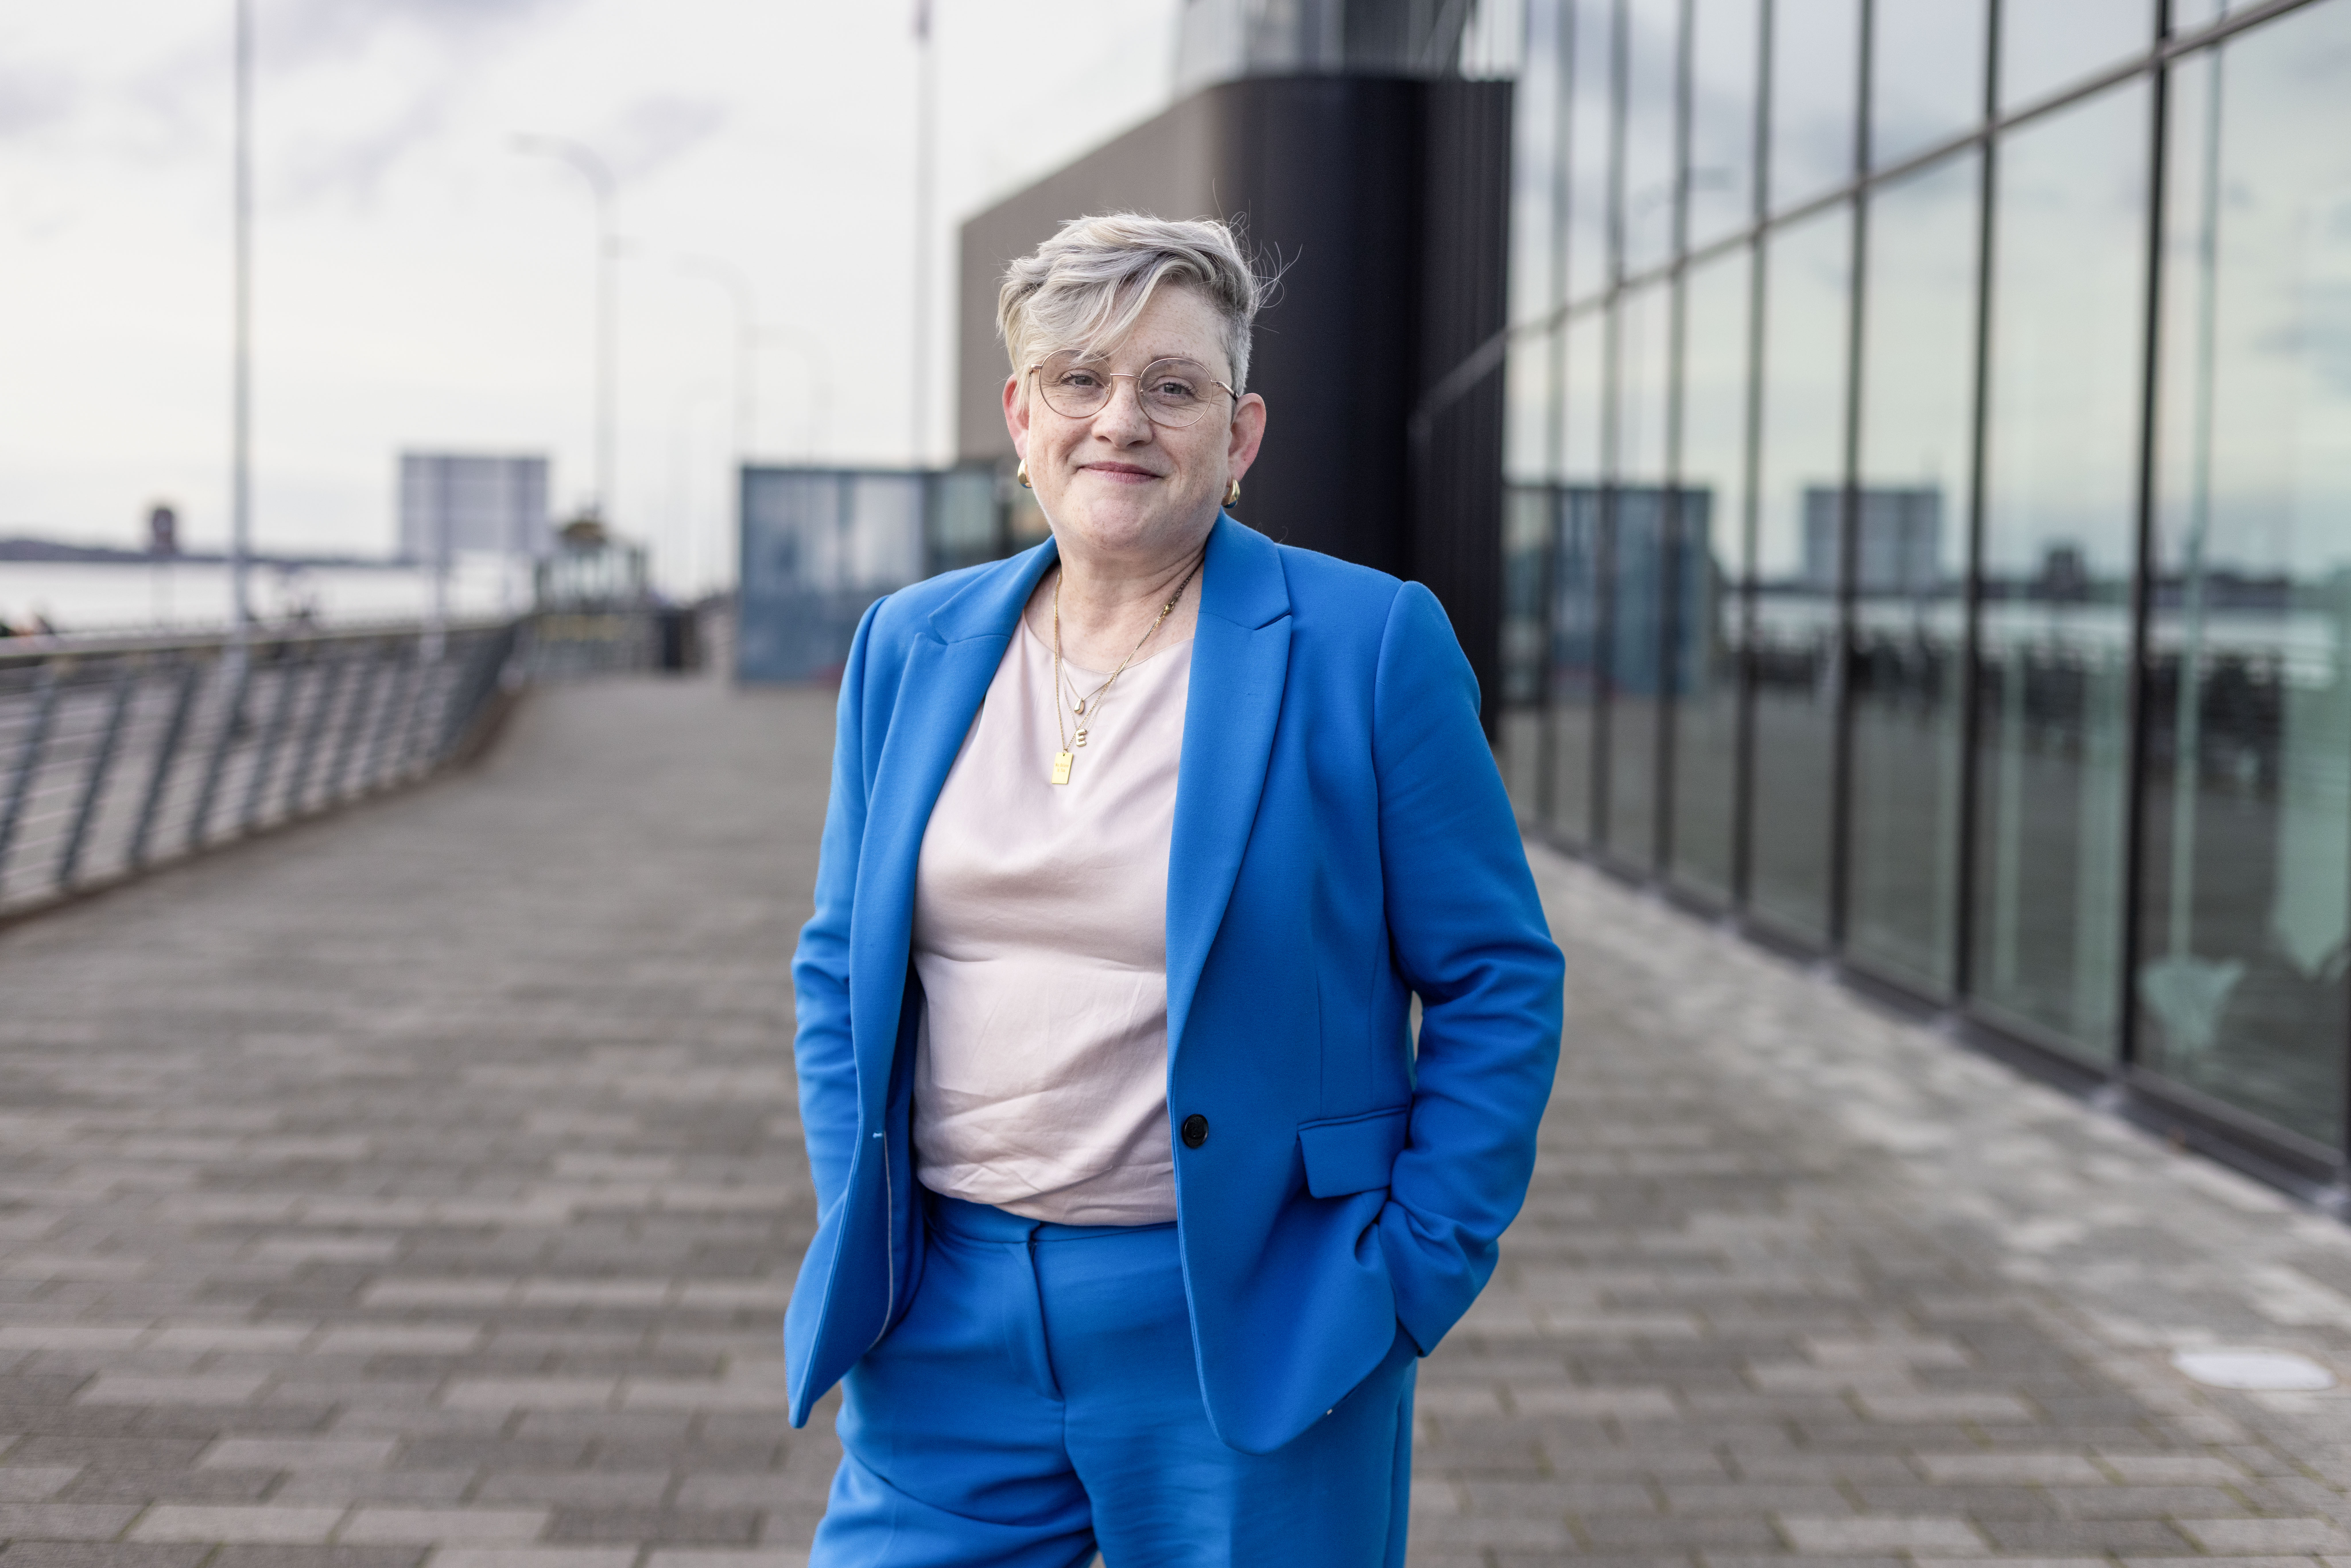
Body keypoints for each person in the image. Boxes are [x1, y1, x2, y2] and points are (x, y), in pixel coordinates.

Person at [785, 211, 1564, 1566]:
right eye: (1079, 380)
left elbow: (1498, 977)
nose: (1119, 420)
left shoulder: (1364, 642)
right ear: (1020, 417)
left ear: (1240, 433)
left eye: (1171, 385)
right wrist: (864, 1215)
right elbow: (838, 955)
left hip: (1250, 1318)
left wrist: (1407, 1271)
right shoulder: (910, 644)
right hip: (944, 1312)